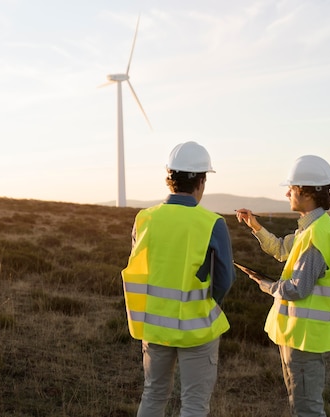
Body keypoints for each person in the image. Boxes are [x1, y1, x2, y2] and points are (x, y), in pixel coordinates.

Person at [122, 141, 235, 417]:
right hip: (197, 330)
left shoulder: (144, 218)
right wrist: (208, 304)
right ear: (201, 181)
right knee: (194, 404)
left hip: (154, 325)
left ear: (169, 178)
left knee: (153, 394)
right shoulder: (212, 223)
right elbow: (225, 279)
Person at [236, 155, 330, 417]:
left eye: (292, 189)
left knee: (307, 410)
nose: (287, 193)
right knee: (300, 405)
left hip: (305, 338)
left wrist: (267, 286)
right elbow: (283, 250)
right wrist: (256, 226)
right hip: (298, 335)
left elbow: (297, 289)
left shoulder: (318, 234)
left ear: (307, 193)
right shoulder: (310, 228)